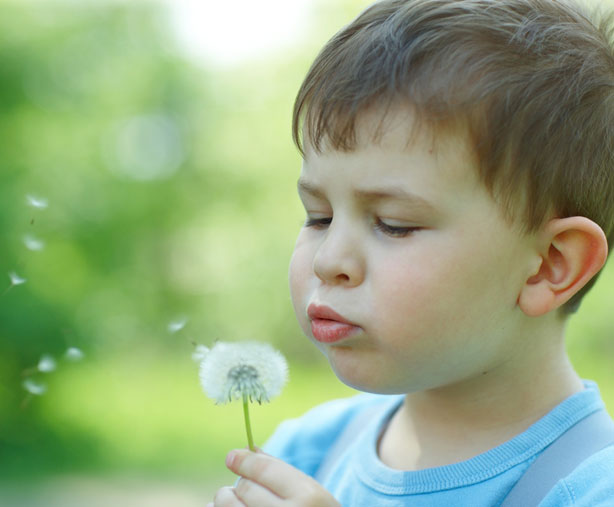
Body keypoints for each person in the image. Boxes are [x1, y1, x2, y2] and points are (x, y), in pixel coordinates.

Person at [209, 0, 614, 505]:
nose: (328, 260)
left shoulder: (591, 489)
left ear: (550, 265)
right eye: (318, 216)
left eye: (393, 225)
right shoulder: (306, 454)